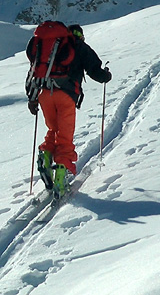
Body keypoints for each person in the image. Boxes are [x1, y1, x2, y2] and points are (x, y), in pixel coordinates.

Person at [27, 23, 111, 197]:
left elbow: (35, 70)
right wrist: (106, 76)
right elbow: (94, 70)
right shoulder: (78, 45)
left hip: (44, 94)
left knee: (53, 129)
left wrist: (33, 98)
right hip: (66, 95)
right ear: (79, 35)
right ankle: (61, 178)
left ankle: (46, 157)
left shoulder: (49, 47)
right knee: (65, 136)